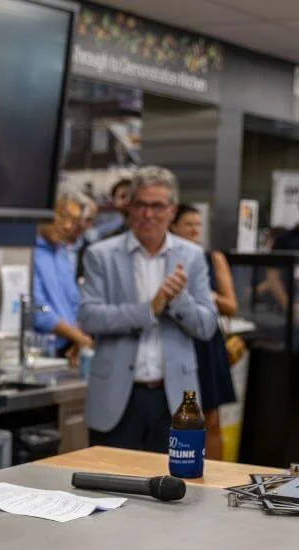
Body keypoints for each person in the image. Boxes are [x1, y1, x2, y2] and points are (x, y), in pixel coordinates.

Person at [79, 166, 218, 452]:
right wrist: (149, 310)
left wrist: (178, 301)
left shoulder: (192, 257)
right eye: (141, 204)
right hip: (117, 398)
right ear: (129, 207)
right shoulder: (100, 255)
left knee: (176, 479)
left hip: (174, 399)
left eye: (157, 206)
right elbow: (89, 318)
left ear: (172, 210)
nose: (148, 214)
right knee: (109, 479)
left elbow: (207, 326)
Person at [171, 202, 237, 460]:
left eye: (198, 225)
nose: (194, 230)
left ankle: (215, 474)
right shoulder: (167, 259)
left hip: (207, 343)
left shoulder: (213, 258)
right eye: (188, 224)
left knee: (210, 417)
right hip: (177, 339)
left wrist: (205, 294)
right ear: (173, 226)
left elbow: (231, 306)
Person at [33, 190, 93, 365]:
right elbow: (39, 310)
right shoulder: (28, 252)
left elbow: (73, 302)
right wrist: (79, 338)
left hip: (66, 349)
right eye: (62, 216)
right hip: (39, 352)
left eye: (74, 221)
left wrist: (77, 338)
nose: (67, 226)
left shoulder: (62, 254)